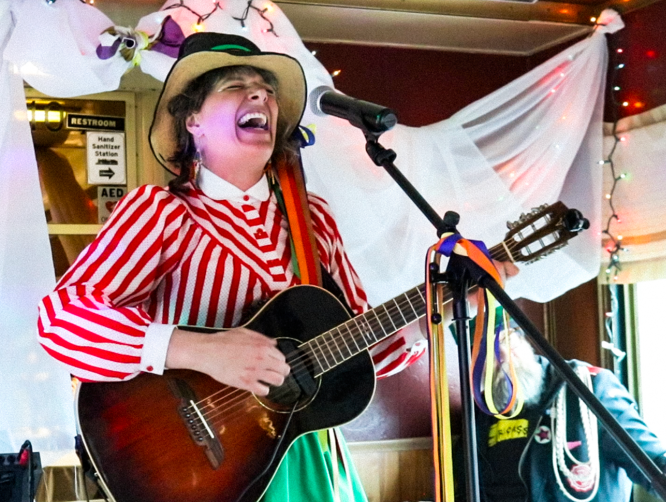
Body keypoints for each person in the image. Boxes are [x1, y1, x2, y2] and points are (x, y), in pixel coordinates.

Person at [36, 32, 427, 501]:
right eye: (234, 85)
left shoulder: (313, 219)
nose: (260, 93)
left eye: (266, 87)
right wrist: (198, 351)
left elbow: (358, 352)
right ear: (193, 121)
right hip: (201, 469)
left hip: (308, 459)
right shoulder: (161, 212)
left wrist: (429, 318)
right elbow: (62, 319)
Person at [455, 314, 666, 502]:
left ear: (522, 337)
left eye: (507, 339)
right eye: (486, 351)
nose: (503, 355)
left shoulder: (589, 387)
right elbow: (462, 487)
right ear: (473, 363)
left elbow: (652, 462)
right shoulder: (479, 413)